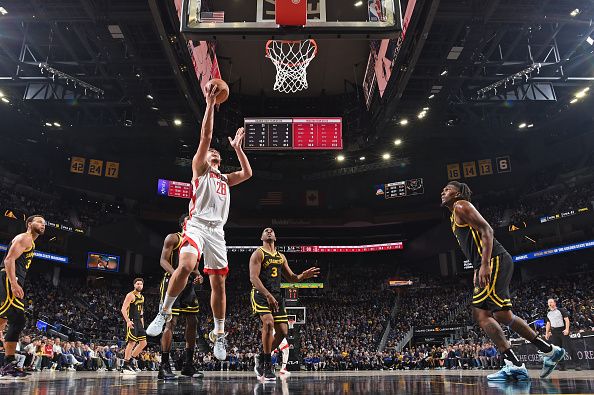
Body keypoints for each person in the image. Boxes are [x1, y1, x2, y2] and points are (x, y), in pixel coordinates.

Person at [147, 80, 253, 364]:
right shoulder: (200, 170)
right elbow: (206, 136)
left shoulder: (226, 178)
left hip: (217, 232)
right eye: (212, 153)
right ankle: (164, 311)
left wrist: (238, 147)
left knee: (219, 285)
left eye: (219, 153)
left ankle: (219, 333)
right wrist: (209, 104)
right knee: (186, 265)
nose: (215, 152)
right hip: (196, 226)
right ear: (204, 159)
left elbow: (248, 173)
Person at [441, 181, 565, 381]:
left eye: (447, 189)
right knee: (500, 315)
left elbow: (487, 231)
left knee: (488, 315)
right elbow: (474, 242)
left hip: (495, 260)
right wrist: (476, 266)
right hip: (491, 261)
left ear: (459, 193)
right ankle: (545, 352)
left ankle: (524, 361)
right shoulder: (454, 214)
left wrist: (485, 264)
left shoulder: (461, 205)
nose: (443, 192)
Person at [249, 227, 319, 380]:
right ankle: (267, 366)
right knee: (268, 323)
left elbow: (292, 278)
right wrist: (267, 295)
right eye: (266, 231)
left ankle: (261, 357)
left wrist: (304, 276)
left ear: (275, 237)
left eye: (271, 231)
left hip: (276, 296)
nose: (269, 231)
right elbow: (253, 278)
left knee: (283, 331)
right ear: (261, 237)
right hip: (261, 294)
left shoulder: (281, 257)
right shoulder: (258, 253)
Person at [158, 214, 204, 380]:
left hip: (189, 286)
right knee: (171, 322)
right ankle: (164, 366)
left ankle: (188, 365)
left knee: (193, 322)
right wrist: (177, 276)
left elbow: (196, 268)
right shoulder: (173, 238)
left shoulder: (196, 242)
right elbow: (163, 260)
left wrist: (199, 276)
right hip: (172, 281)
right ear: (183, 223)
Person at [0, 215, 45, 379]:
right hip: (9, 279)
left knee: (2, 321)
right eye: (39, 221)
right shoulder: (24, 238)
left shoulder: (31, 242)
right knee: (18, 319)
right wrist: (13, 283)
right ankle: (8, 364)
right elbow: (8, 260)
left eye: (44, 223)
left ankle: (7, 364)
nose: (43, 224)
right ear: (29, 224)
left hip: (12, 279)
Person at [120, 278, 147, 374]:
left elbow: (141, 312)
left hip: (139, 322)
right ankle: (125, 365)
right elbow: (123, 309)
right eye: (137, 284)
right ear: (134, 285)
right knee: (131, 342)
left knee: (143, 343)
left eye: (141, 284)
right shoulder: (130, 295)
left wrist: (142, 324)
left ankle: (130, 362)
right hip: (131, 321)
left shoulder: (142, 297)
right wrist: (127, 321)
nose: (139, 285)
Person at [545, 298, 580, 371]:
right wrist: (547, 333)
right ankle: (562, 366)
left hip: (563, 331)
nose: (549, 304)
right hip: (554, 332)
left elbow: (566, 320)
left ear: (554, 303)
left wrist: (567, 329)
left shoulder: (561, 310)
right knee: (557, 351)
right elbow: (548, 323)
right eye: (548, 303)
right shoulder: (548, 313)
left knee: (570, 348)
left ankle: (577, 365)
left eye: (551, 302)